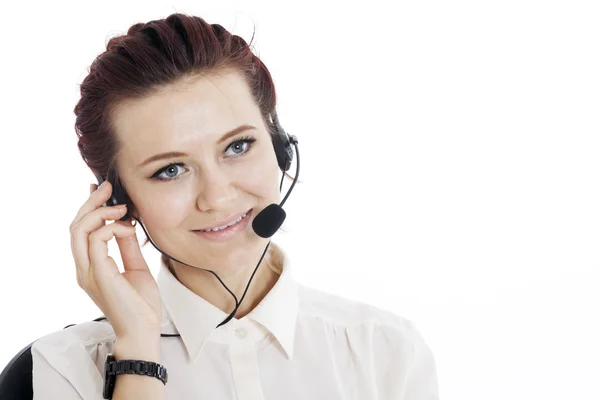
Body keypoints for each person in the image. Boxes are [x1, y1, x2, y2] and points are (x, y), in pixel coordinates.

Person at [30, 12, 439, 400]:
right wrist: (139, 349)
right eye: (171, 170)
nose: (218, 197)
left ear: (281, 148)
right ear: (119, 201)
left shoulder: (383, 350)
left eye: (238, 146)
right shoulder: (67, 367)